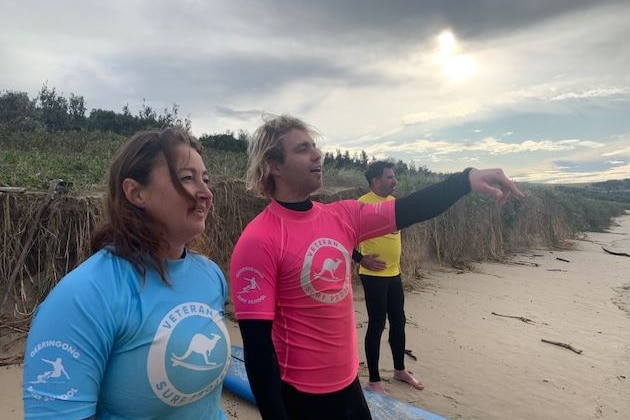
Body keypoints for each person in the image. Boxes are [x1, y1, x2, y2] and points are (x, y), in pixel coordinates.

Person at [229, 114, 524, 420]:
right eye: (303, 149)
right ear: (274, 165)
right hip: (301, 397)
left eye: (315, 146)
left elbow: (409, 208)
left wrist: (465, 180)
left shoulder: (341, 216)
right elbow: (258, 349)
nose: (318, 154)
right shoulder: (259, 239)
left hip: (349, 388)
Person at [23, 128, 230, 419]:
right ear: (135, 192)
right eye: (187, 178)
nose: (206, 193)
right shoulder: (83, 297)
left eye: (205, 180)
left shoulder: (211, 276)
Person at [353, 160, 422, 395]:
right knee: (376, 324)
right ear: (375, 180)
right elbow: (343, 237)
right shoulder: (361, 205)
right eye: (390, 177)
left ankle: (399, 370)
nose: (395, 180)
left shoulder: (394, 203)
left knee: (399, 321)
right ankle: (373, 380)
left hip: (394, 273)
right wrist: (361, 259)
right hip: (373, 276)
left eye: (394, 176)